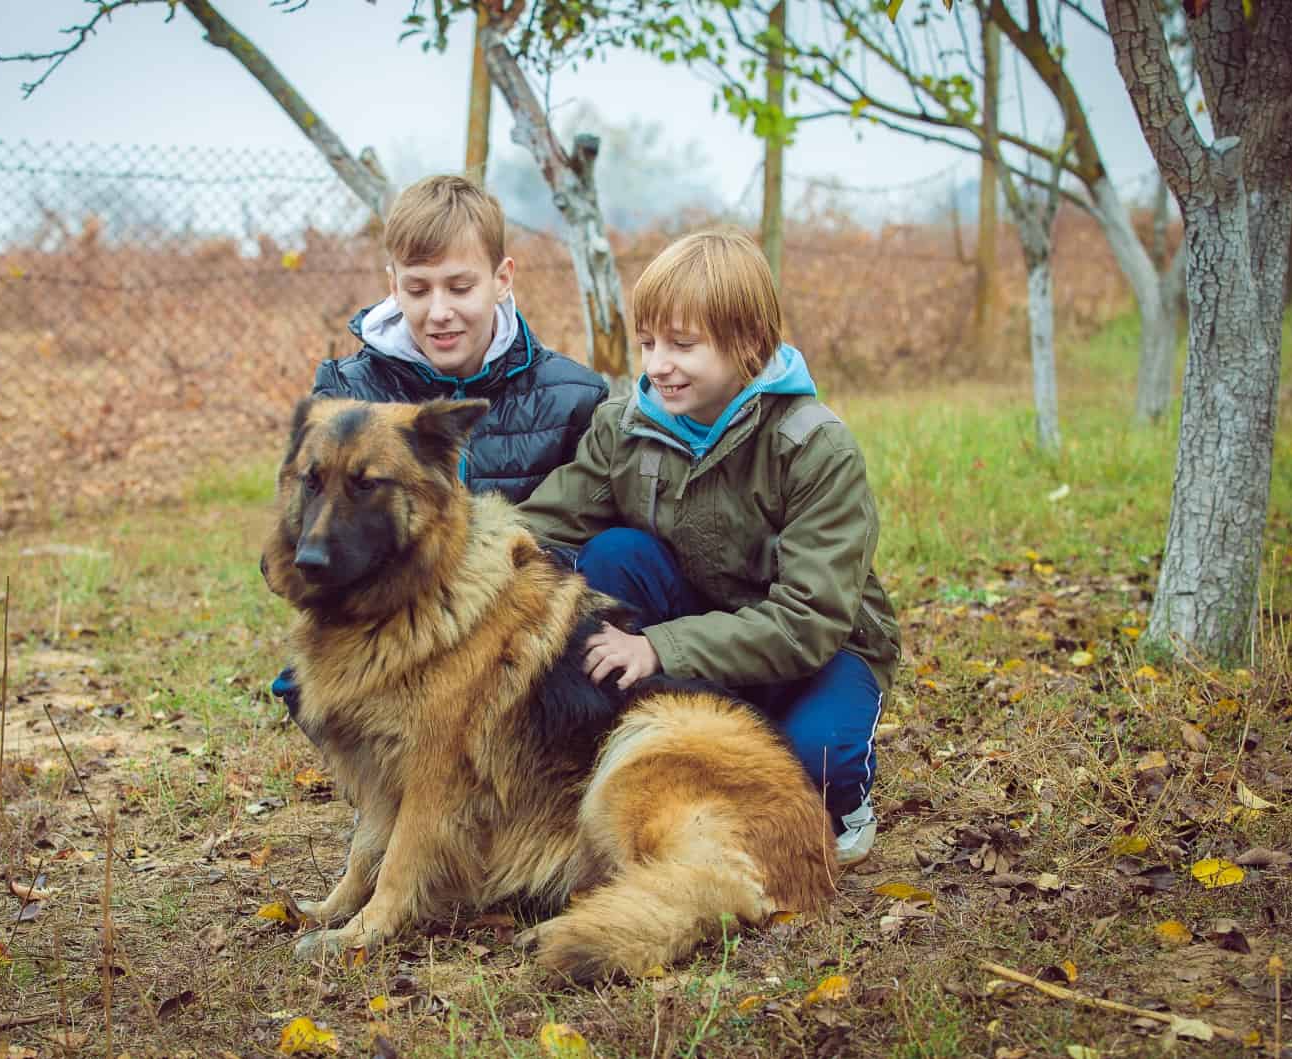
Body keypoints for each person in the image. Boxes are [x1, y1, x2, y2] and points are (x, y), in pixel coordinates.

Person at [516, 228, 900, 866]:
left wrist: (657, 647)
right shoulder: (626, 427)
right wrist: (456, 554)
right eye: (648, 343)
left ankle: (846, 797)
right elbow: (547, 524)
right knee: (613, 555)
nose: (658, 364)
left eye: (682, 344)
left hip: (820, 649)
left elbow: (809, 622)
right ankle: (633, 749)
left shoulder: (814, 448)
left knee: (810, 763)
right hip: (698, 614)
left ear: (748, 343)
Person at [270, 174, 608, 707]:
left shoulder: (574, 397)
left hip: (513, 639)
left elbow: (593, 541)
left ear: (502, 279)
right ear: (393, 284)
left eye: (460, 286)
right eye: (418, 289)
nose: (439, 311)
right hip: (392, 630)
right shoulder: (349, 391)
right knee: (302, 685)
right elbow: (294, 540)